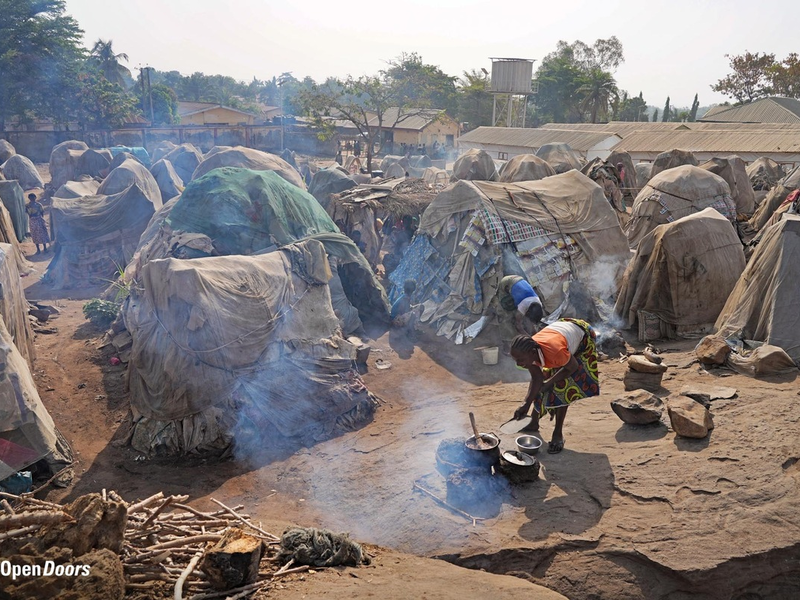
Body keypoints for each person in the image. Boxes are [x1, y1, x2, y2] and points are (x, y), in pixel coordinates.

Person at [509, 319, 599, 454]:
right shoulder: (528, 351)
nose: (519, 364)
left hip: (583, 336)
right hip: (560, 335)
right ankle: (533, 422)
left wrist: (549, 383)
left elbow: (572, 367)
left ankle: (558, 434)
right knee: (543, 382)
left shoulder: (554, 352)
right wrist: (525, 404)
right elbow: (536, 378)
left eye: (520, 360)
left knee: (562, 388)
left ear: (533, 352)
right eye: (516, 361)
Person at [495, 275, 544, 354]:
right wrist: (530, 339)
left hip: (519, 279)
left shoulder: (538, 303)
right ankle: (507, 345)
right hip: (507, 282)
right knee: (506, 316)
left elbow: (532, 323)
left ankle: (515, 339)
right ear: (527, 311)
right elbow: (518, 326)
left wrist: (536, 336)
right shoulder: (524, 305)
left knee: (518, 315)